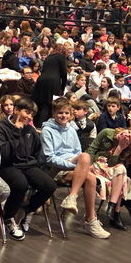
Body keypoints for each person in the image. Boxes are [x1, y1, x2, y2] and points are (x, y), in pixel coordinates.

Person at [41, 97, 111, 239]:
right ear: (53, 113)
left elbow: (77, 152)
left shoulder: (72, 130)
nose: (64, 116)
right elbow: (49, 158)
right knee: (86, 163)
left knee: (89, 175)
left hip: (73, 167)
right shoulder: (47, 130)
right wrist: (77, 166)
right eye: (60, 113)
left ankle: (89, 218)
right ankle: (82, 210)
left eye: (67, 113)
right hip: (55, 169)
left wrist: (81, 166)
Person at [0, 96, 56, 240]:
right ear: (16, 110)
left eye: (32, 114)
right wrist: (16, 131)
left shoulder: (30, 129)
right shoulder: (1, 128)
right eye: (27, 112)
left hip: (28, 165)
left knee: (49, 185)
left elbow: (36, 151)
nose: (29, 117)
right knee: (20, 184)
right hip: (8, 165)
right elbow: (3, 154)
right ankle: (9, 217)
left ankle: (26, 210)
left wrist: (34, 165)